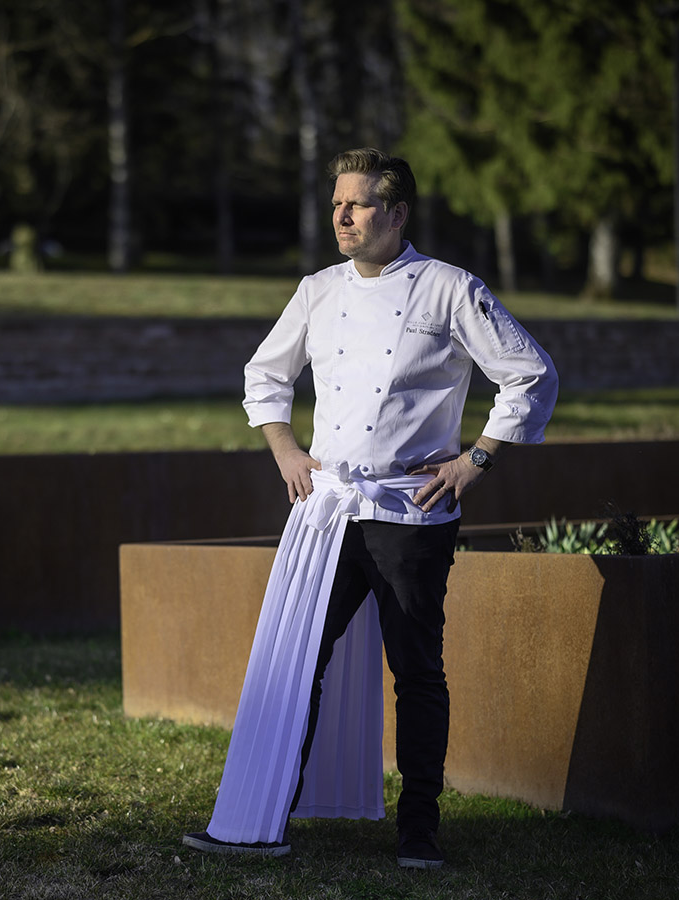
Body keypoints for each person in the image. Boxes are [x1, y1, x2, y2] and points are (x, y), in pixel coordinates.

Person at [183, 148, 558, 868]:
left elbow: (531, 374)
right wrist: (288, 452)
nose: (342, 217)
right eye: (335, 205)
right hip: (326, 513)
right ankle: (262, 820)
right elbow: (265, 374)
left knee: (417, 672)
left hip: (410, 513)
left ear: (397, 213)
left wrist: (474, 460)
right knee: (296, 663)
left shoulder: (449, 288)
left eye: (356, 204)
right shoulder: (317, 290)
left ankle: (419, 832)